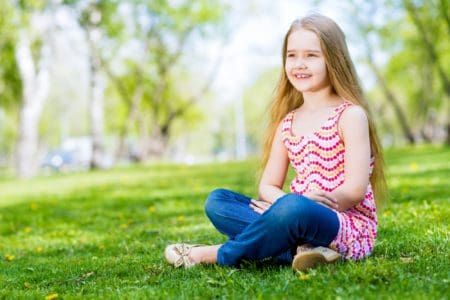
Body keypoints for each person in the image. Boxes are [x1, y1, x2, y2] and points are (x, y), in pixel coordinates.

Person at [164, 13, 387, 271]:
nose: (299, 64)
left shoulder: (350, 115)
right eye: (292, 55)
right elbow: (267, 186)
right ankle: (306, 251)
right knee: (218, 202)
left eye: (311, 55)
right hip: (292, 215)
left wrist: (301, 204)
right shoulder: (288, 123)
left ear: (334, 60)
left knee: (293, 208)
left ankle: (215, 254)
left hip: (342, 224)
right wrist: (281, 206)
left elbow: (355, 191)